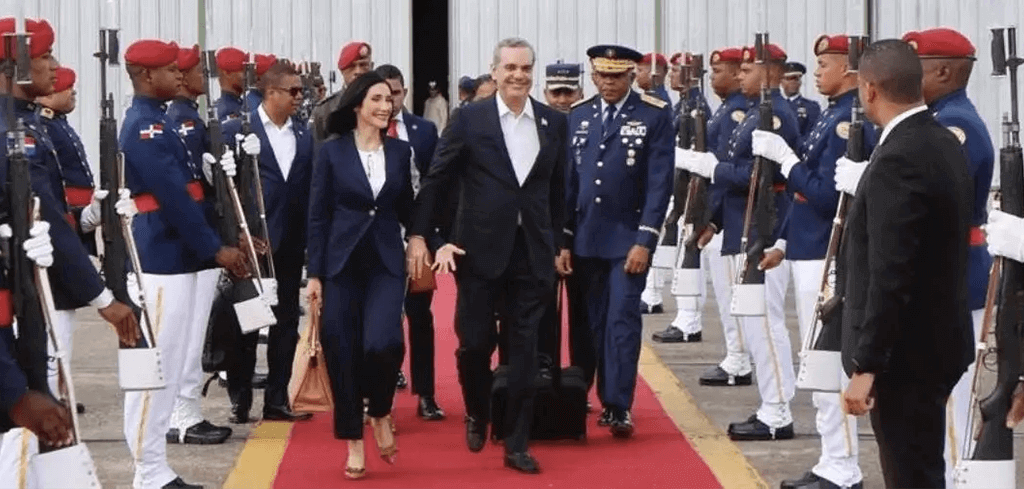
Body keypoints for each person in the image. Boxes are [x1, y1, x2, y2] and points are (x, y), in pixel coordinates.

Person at [406, 37, 567, 474]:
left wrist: (559, 242)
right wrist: (427, 235)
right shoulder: (470, 119)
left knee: (525, 353)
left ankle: (516, 442)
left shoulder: (553, 123)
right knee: (474, 345)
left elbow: (558, 190)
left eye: (525, 68)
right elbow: (438, 180)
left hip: (531, 254)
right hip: (477, 253)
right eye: (509, 68)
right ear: (494, 71)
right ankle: (478, 410)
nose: (518, 75)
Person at [835, 38, 973, 489]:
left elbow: (891, 272)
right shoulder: (939, 140)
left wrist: (866, 364)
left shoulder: (898, 156)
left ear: (870, 90)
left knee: (910, 475)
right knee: (921, 467)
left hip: (905, 355)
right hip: (934, 344)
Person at [118, 38, 248, 489]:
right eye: (169, 70)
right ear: (145, 76)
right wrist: (215, 249)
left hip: (184, 254)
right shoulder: (143, 127)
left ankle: (156, 466)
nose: (179, 75)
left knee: (177, 363)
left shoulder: (161, 122)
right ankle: (146, 470)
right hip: (163, 257)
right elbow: (173, 197)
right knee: (156, 368)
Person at [757, 34, 874, 489]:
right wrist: (784, 242)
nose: (816, 71)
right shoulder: (831, 116)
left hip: (827, 253)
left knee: (828, 363)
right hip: (806, 248)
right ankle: (832, 458)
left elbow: (825, 195)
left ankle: (843, 465)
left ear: (849, 69)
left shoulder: (848, 121)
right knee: (818, 361)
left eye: (824, 63)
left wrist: (786, 160)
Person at [677, 43, 800, 441]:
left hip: (763, 228)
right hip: (739, 224)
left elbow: (762, 174)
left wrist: (713, 168)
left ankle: (778, 411)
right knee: (752, 323)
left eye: (749, 69)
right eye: (742, 68)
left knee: (765, 325)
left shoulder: (775, 113)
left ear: (772, 73)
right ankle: (770, 404)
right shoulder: (752, 112)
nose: (742, 75)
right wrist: (713, 218)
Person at [900, 28, 996, 486]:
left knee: (957, 402)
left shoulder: (956, 126)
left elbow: (930, 198)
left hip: (956, 274)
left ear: (942, 71)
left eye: (912, 68)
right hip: (943, 275)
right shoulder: (936, 119)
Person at [306, 71, 412, 480]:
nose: (386, 106)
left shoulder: (401, 153)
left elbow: (410, 207)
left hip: (386, 262)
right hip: (341, 265)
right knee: (343, 351)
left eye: (389, 99)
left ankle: (381, 410)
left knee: (384, 343)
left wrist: (426, 238)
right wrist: (314, 274)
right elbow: (318, 216)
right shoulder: (331, 153)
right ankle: (353, 441)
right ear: (357, 106)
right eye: (377, 100)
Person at [564, 44, 673, 437]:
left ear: (632, 75)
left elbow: (660, 183)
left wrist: (646, 239)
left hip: (628, 240)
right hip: (586, 238)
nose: (609, 83)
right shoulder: (579, 115)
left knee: (621, 321)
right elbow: (570, 183)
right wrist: (563, 239)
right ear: (593, 76)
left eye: (617, 75)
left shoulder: (653, 114)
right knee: (589, 324)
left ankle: (618, 404)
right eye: (603, 75)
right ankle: (584, 393)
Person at [222, 60, 315, 424]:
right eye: (292, 91)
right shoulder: (239, 130)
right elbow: (223, 192)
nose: (298, 97)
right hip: (253, 243)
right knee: (247, 323)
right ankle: (240, 398)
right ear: (270, 92)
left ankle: (277, 399)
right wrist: (237, 234)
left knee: (286, 323)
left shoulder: (303, 134)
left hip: (291, 243)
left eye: (300, 91)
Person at [674, 49, 754, 384]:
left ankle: (738, 358)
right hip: (719, 213)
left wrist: (711, 215)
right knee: (726, 294)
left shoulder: (738, 112)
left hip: (730, 212)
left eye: (719, 70)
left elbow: (727, 169)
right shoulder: (727, 109)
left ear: (737, 74)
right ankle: (735, 354)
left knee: (732, 295)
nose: (713, 75)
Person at [375, 63, 445, 420]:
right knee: (384, 318)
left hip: (418, 233)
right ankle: (381, 389)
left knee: (420, 315)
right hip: (380, 235)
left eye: (397, 94)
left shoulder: (424, 131)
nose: (390, 103)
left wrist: (431, 234)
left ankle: (426, 393)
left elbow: (436, 184)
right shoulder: (364, 131)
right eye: (384, 96)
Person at [34, 65, 96, 413]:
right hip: (63, 223)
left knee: (66, 308)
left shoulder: (57, 124)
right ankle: (54, 389)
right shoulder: (44, 125)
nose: (73, 94)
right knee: (58, 310)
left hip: (75, 220)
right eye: (68, 89)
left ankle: (60, 386)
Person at [311, 41, 374, 142]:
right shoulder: (325, 109)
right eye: (352, 66)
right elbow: (316, 151)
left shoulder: (382, 104)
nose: (358, 71)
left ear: (371, 67)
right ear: (342, 70)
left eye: (363, 65)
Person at [782, 61, 822, 139]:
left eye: (796, 79)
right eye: (788, 79)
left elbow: (812, 134)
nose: (792, 82)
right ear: (781, 82)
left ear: (800, 82)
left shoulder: (811, 107)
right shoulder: (774, 106)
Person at [214, 47, 247, 123]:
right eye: (243, 71)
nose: (246, 76)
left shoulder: (237, 104)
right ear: (227, 73)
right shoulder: (227, 110)